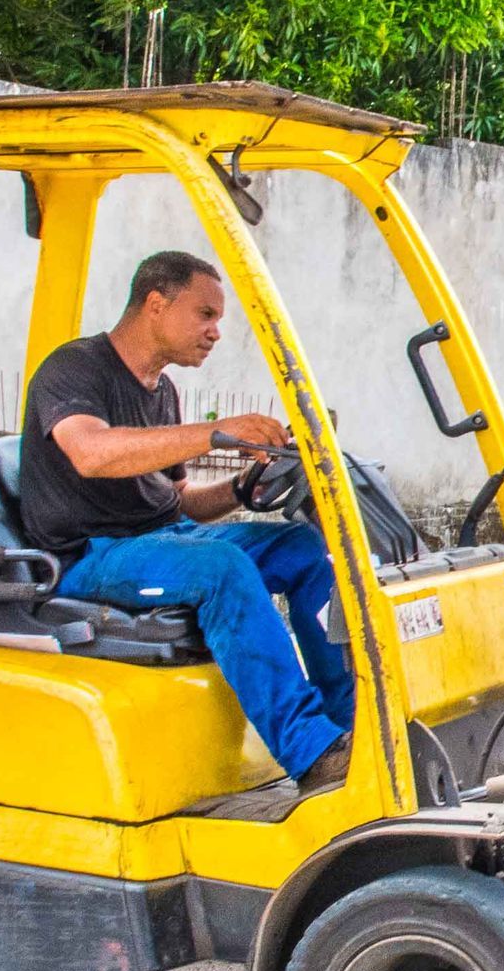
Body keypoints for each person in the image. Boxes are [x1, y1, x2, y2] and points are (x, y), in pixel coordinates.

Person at [18, 249, 353, 791]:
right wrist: (214, 434)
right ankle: (309, 750)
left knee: (302, 548)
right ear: (156, 303)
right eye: (205, 315)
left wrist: (245, 487)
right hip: (90, 555)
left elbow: (179, 503)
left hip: (163, 540)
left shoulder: (162, 392)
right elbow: (92, 453)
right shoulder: (74, 367)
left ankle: (346, 724)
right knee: (220, 566)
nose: (216, 331)